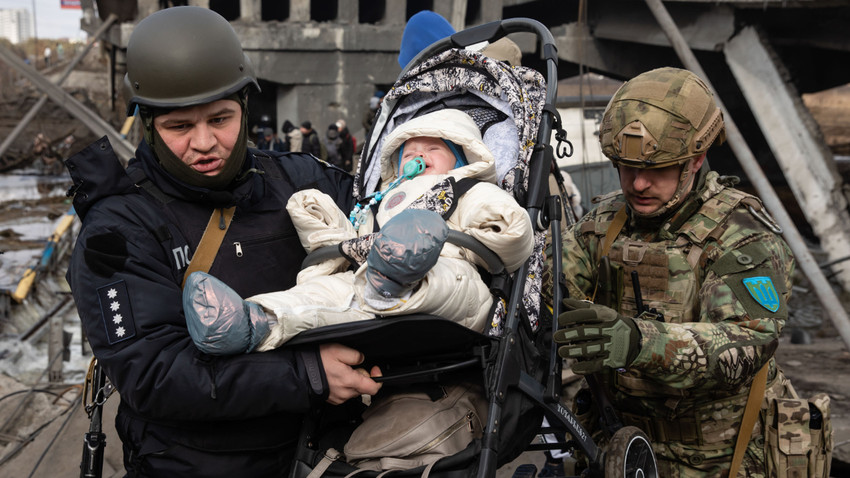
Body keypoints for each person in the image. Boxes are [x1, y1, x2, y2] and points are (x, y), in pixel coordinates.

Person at [62, 7, 381, 477]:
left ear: (245, 110)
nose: (205, 142)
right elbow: (153, 375)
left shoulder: (302, 180)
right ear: (148, 125)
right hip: (197, 463)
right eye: (179, 127)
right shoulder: (119, 229)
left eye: (220, 118)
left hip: (332, 450)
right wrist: (307, 375)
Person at [554, 67, 801, 476]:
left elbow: (748, 343)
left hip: (717, 458)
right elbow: (552, 288)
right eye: (626, 167)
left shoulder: (742, 235)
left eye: (658, 170)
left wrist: (637, 341)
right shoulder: (605, 221)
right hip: (619, 445)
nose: (638, 184)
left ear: (697, 159)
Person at [184, 108, 533, 352]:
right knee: (322, 295)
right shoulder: (384, 199)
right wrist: (324, 227)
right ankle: (250, 321)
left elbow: (510, 232)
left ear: (460, 160)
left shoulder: (466, 190)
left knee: (444, 275)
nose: (419, 154)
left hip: (448, 278)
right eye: (409, 150)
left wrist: (499, 220)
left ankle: (395, 276)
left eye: (433, 149)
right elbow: (355, 240)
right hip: (367, 277)